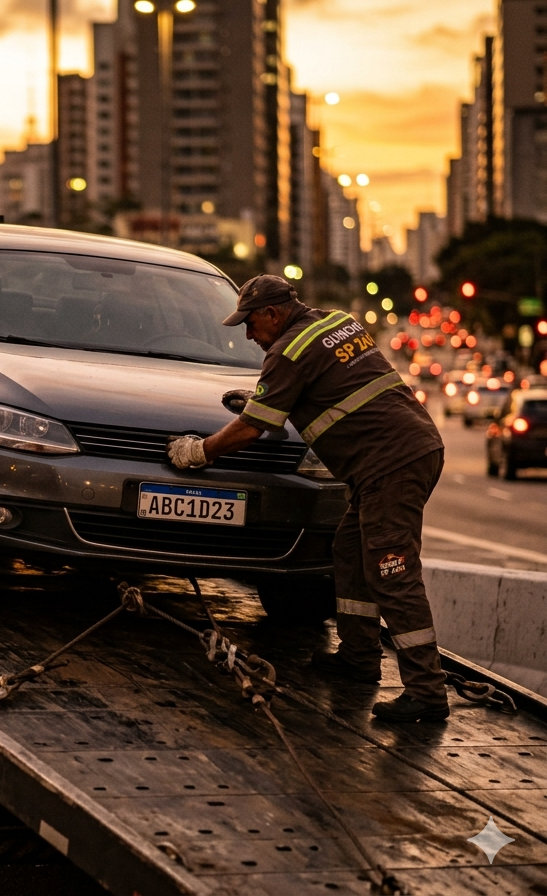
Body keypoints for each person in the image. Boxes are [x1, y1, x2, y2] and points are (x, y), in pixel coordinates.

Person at [167, 274, 449, 723]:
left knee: (392, 572)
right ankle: (358, 658)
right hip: (412, 448)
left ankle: (427, 692)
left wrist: (199, 451)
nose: (248, 334)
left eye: (250, 323)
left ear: (273, 314)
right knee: (350, 552)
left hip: (389, 465)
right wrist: (270, 398)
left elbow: (253, 428)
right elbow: (334, 385)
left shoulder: (287, 352)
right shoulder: (336, 323)